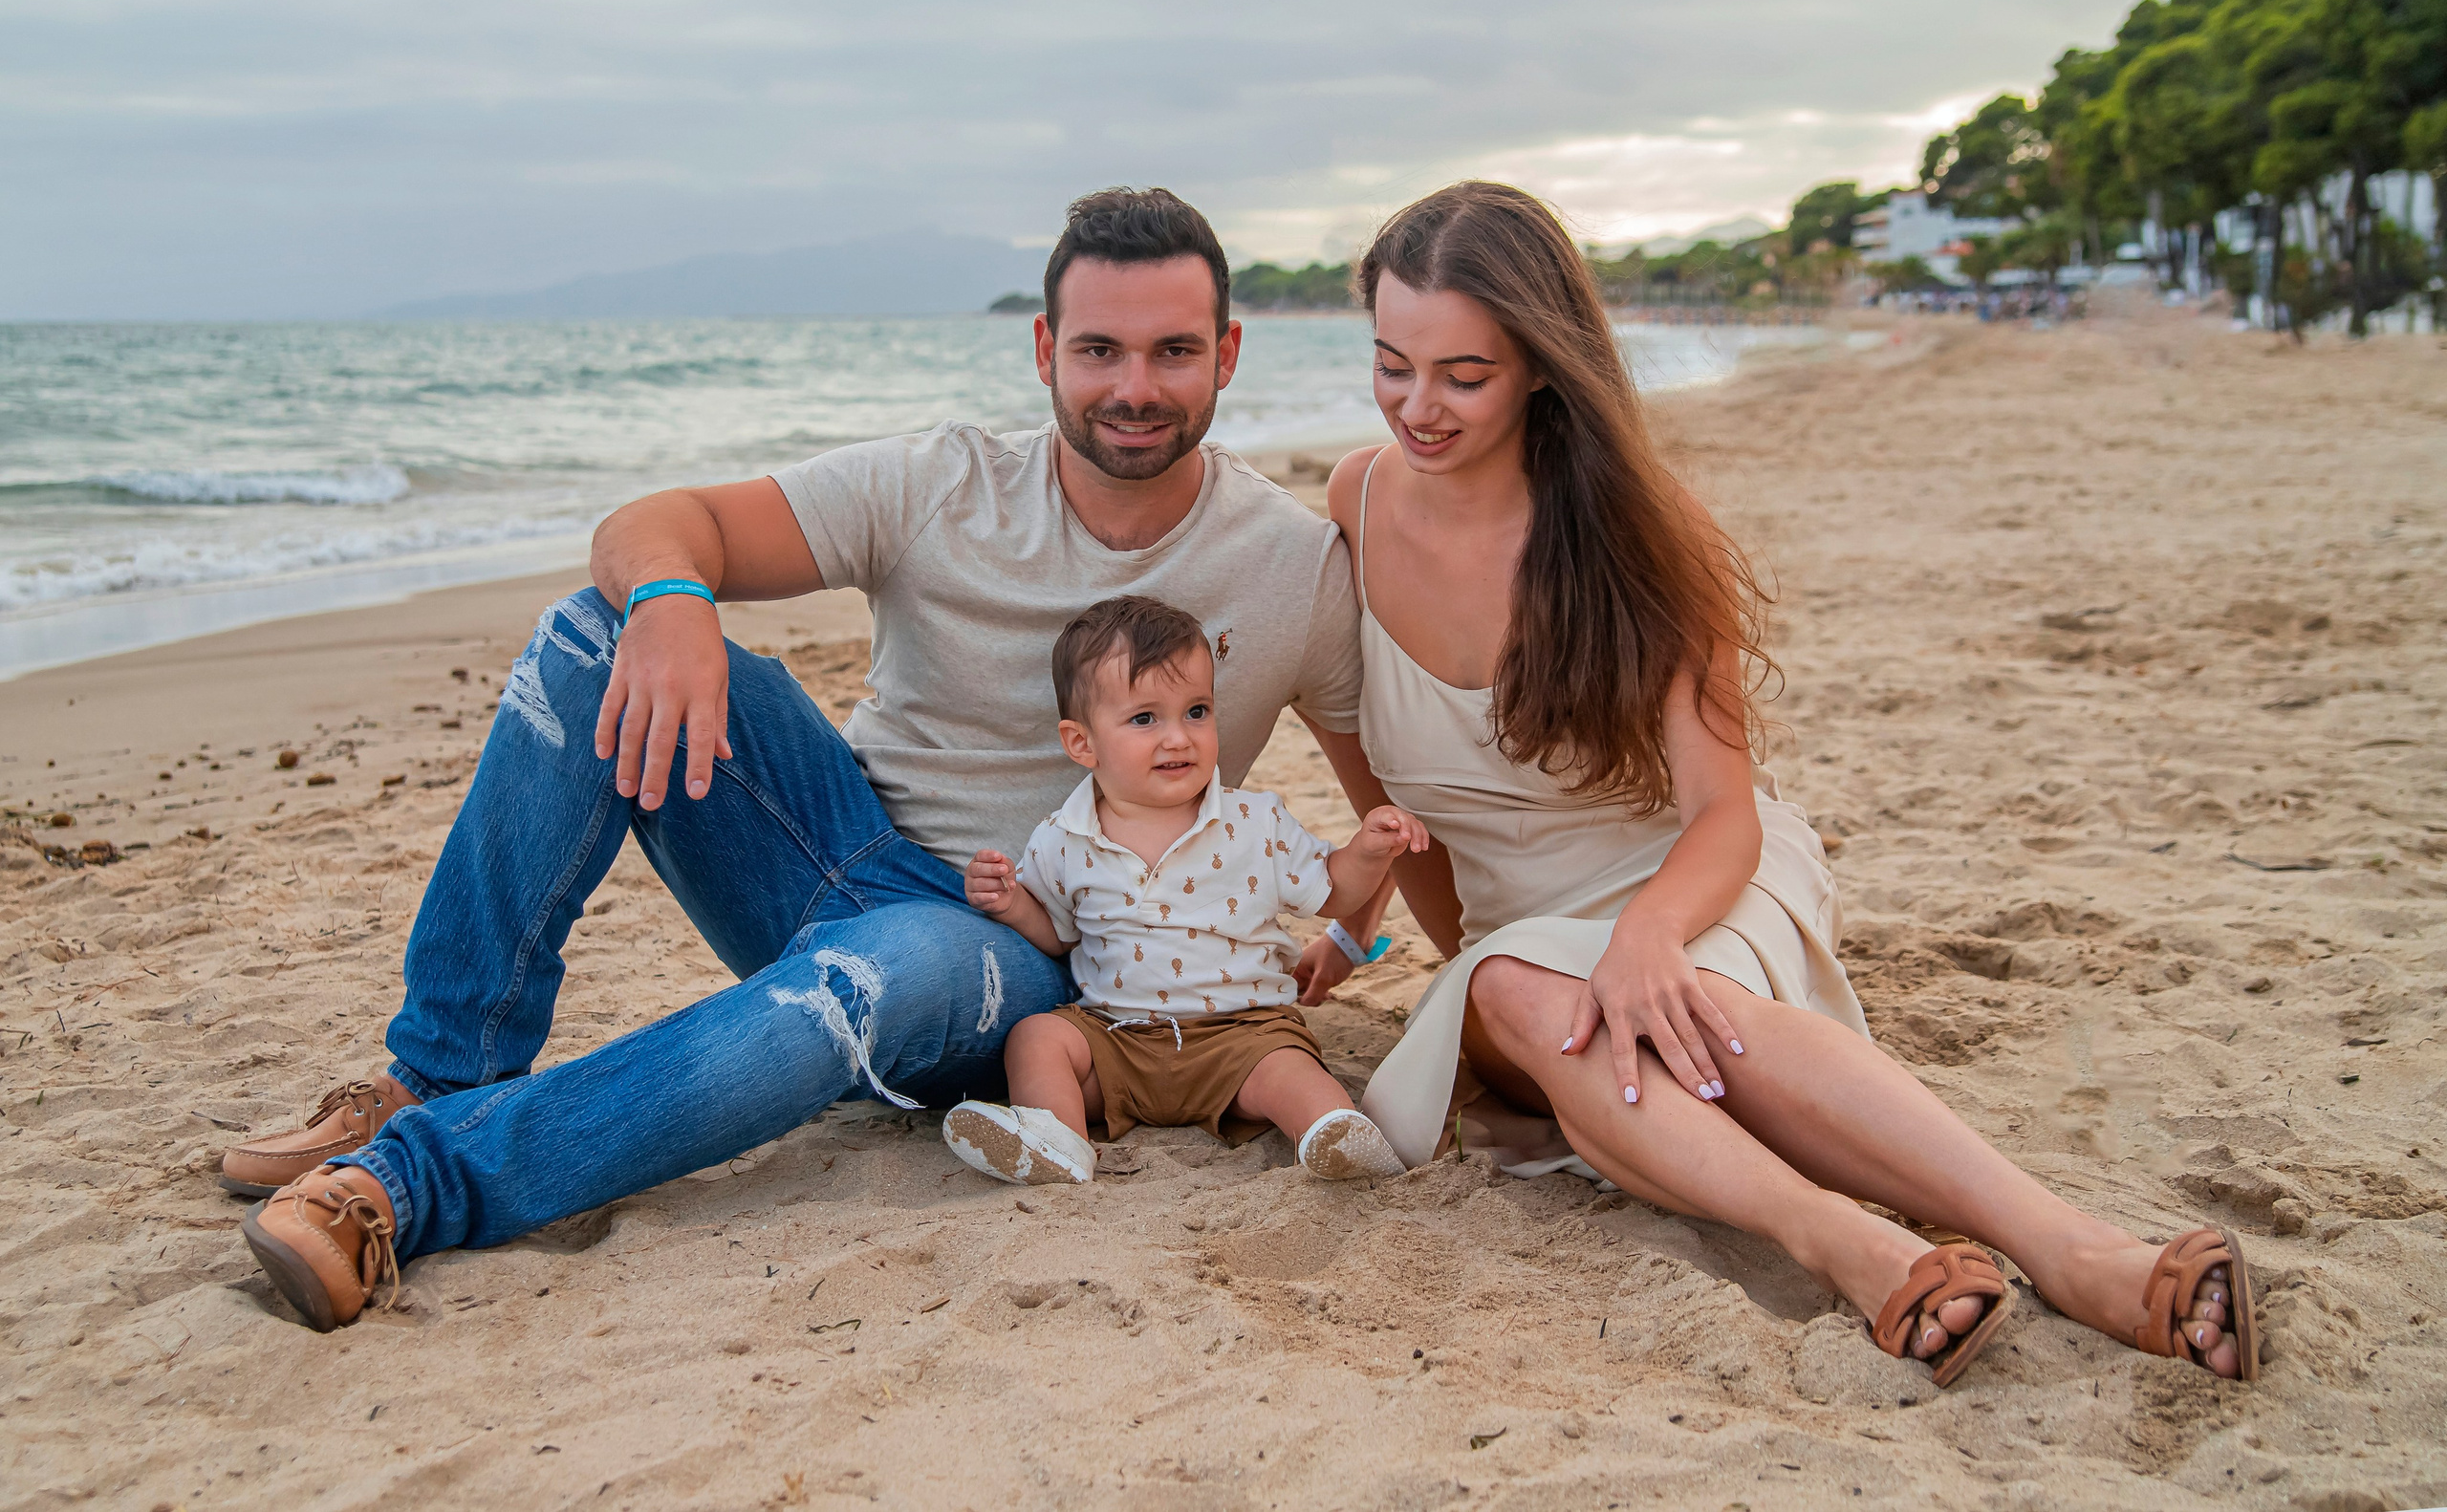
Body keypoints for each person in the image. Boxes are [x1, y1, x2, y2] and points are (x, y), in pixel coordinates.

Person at [223, 187, 1380, 1332]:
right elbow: (656, 522)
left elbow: (1399, 799)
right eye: (1099, 349)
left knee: (882, 967)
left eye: (1174, 350)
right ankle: (437, 1072)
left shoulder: (1290, 566)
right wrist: (673, 599)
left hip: (1020, 948)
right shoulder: (940, 483)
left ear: (1227, 353)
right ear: (1043, 351)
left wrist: (1370, 941)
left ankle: (406, 1185)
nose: (1134, 386)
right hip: (821, 840)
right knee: (592, 632)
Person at [1307, 181, 2257, 1387]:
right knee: (1533, 991)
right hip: (1511, 947)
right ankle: (1851, 1242)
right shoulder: (1356, 498)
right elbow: (1405, 811)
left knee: (1692, 1015)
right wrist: (1381, 925)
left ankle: (2072, 1251)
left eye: (1462, 374)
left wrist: (1650, 928)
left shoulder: (1645, 531)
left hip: (1689, 877)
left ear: (1543, 366)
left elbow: (1723, 811)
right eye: (1392, 364)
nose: (1415, 407)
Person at [945, 595, 1421, 1186]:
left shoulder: (1255, 822)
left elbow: (1334, 893)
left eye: (1196, 711)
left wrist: (1368, 852)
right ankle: (1057, 1139)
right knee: (1036, 1038)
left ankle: (1331, 1132)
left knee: (1290, 1072)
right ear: (1082, 743)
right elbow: (1058, 933)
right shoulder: (1063, 838)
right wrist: (1013, 903)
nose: (1179, 738)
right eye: (1145, 719)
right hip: (1119, 1039)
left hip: (1243, 1035)